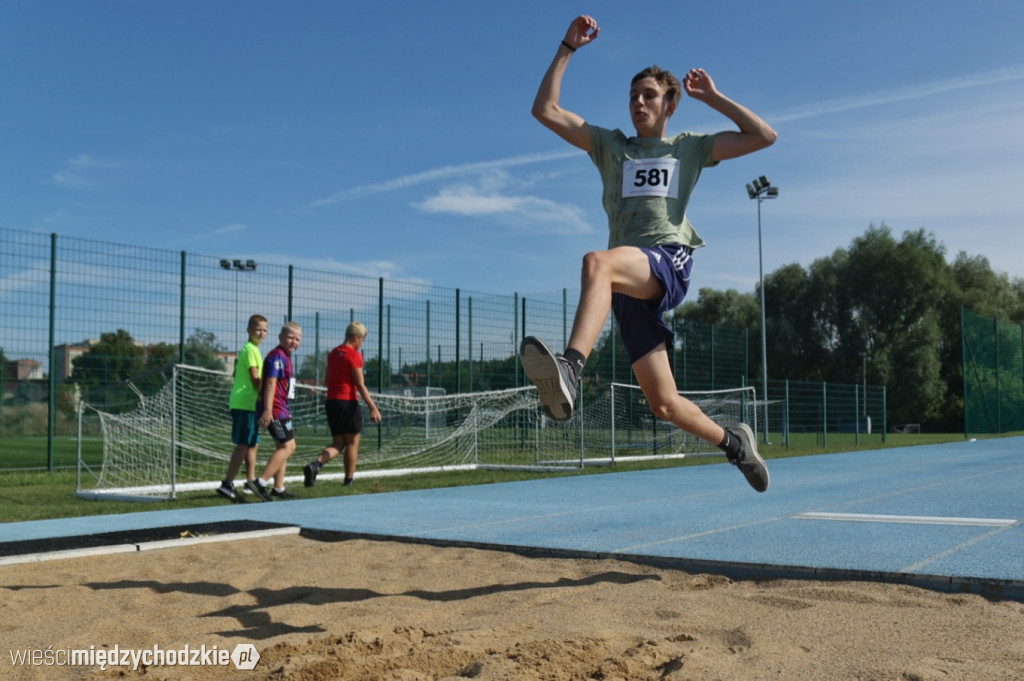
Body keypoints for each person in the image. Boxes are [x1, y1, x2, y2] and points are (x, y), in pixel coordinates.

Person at [521, 14, 777, 492]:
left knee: (596, 261)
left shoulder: (690, 150)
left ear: (670, 104)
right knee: (663, 403)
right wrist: (566, 48)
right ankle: (734, 442)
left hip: (666, 259)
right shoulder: (610, 146)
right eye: (633, 96)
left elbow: (764, 136)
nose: (638, 103)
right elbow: (546, 110)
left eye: (649, 96)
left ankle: (571, 369)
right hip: (624, 282)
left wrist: (715, 98)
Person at [304, 322, 382, 488]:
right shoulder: (354, 355)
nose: (361, 344)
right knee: (352, 443)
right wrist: (373, 407)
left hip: (332, 401)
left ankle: (316, 465)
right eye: (362, 340)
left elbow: (326, 381)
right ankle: (348, 481)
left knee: (338, 443)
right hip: (348, 402)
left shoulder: (333, 353)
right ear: (356, 338)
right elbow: (360, 385)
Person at [245, 321, 303, 501]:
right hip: (275, 410)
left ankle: (278, 488)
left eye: (297, 339)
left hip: (283, 409)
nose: (294, 342)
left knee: (284, 446)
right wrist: (268, 410)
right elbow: (269, 383)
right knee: (288, 446)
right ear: (280, 337)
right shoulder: (276, 356)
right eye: (290, 337)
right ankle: (259, 482)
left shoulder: (286, 357)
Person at [217, 314, 269, 501]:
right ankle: (227, 483)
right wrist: (266, 397)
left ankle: (250, 480)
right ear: (248, 330)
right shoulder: (249, 350)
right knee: (243, 443)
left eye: (264, 330)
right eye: (258, 329)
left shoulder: (251, 350)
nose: (261, 333)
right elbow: (255, 378)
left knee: (253, 442)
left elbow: (237, 374)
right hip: (245, 403)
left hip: (248, 403)